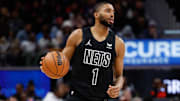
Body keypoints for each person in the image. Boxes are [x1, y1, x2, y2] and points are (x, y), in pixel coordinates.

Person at [40, 1, 125, 101]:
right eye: (107, 11)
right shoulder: (78, 35)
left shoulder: (118, 43)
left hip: (103, 97)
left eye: (113, 12)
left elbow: (120, 76)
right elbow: (62, 62)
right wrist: (49, 65)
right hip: (78, 97)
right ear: (96, 14)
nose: (111, 15)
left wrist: (118, 87)